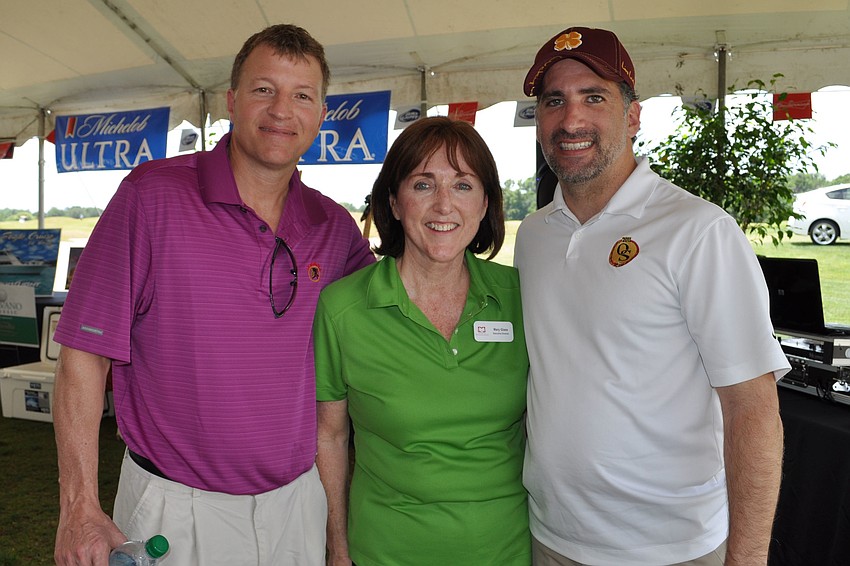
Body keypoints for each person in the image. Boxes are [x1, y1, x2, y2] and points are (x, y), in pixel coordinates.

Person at [52, 24, 375, 566]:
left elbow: (393, 304)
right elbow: (83, 356)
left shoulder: (332, 225)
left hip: (297, 505)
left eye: (302, 96)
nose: (280, 110)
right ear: (231, 101)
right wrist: (78, 504)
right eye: (263, 89)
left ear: (322, 115)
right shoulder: (150, 196)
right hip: (175, 512)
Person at [515, 27, 791, 566]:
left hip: (670, 548)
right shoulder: (535, 235)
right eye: (554, 101)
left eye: (593, 97)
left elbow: (752, 410)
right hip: (550, 535)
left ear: (633, 116)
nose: (571, 120)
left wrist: (748, 558)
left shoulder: (699, 231)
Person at [314, 116, 531, 566]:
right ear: (393, 202)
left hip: (508, 547)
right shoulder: (342, 309)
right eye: (424, 185)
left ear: (486, 202)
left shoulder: (523, 297)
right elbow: (330, 438)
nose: (444, 206)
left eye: (464, 185)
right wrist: (338, 547)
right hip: (386, 548)